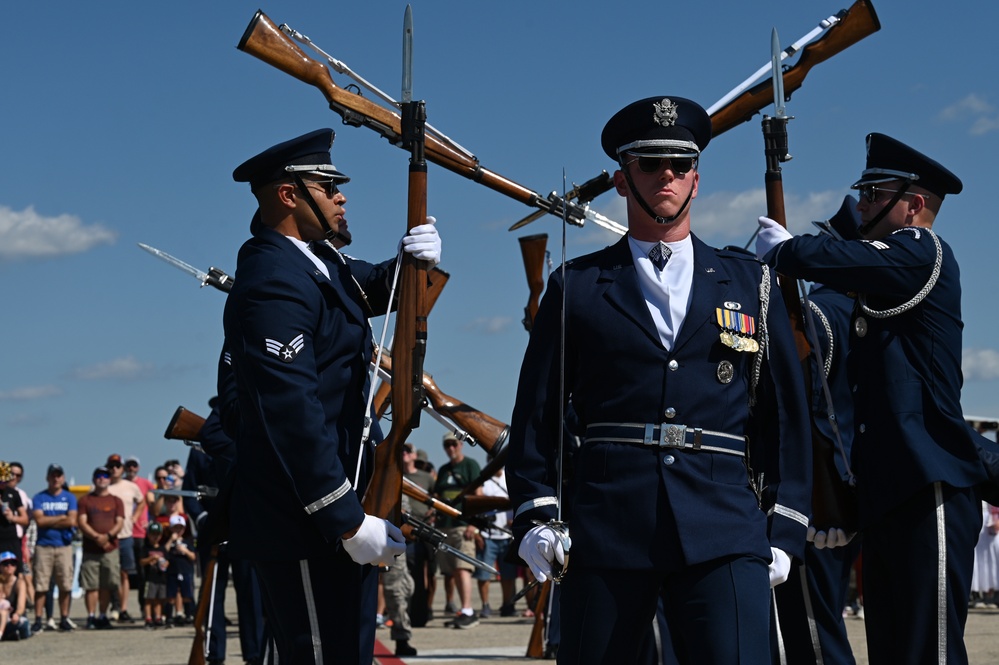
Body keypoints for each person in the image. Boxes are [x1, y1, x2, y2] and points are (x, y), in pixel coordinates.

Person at [507, 96, 811, 665]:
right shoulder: (577, 284)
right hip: (608, 525)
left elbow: (786, 416)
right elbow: (536, 415)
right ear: (623, 181)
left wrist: (786, 526)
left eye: (678, 163)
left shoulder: (750, 283)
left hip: (724, 526)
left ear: (696, 179)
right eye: (649, 163)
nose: (665, 175)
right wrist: (535, 513)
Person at [756, 132, 982, 664]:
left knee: (929, 652)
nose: (862, 204)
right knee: (891, 651)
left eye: (875, 194)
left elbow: (848, 261)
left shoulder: (922, 250)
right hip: (889, 490)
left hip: (931, 483)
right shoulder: (876, 290)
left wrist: (788, 250)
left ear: (915, 204)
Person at [220, 128, 439, 664]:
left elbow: (377, 288)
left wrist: (417, 262)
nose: (342, 196)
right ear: (289, 195)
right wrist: (344, 517)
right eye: (328, 185)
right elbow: (292, 412)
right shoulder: (275, 278)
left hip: (341, 509)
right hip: (305, 522)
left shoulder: (322, 263)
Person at [769, 196, 864, 664]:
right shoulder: (869, 314)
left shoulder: (820, 313)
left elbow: (802, 410)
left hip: (818, 496)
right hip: (856, 490)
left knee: (813, 637)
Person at [433, 433, 482, 629]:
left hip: (464, 526)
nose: (450, 448)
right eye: (447, 445)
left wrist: (474, 524)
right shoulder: (444, 470)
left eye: (453, 444)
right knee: (451, 570)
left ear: (461, 444)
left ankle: (468, 609)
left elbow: (479, 495)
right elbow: (437, 495)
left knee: (463, 568)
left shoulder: (470, 466)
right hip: (445, 525)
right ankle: (461, 610)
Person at [30, 464, 77, 633]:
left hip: (64, 546)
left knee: (65, 584)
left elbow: (72, 521)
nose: (56, 479)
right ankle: (38, 619)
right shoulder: (39, 498)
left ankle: (64, 618)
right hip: (44, 546)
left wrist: (51, 519)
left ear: (63, 478)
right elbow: (39, 521)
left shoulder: (69, 498)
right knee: (41, 585)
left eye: (59, 476)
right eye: (53, 476)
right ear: (47, 478)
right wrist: (61, 518)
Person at [77, 466, 125, 630]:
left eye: (105, 476)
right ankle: (91, 616)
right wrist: (96, 537)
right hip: (91, 549)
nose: (102, 479)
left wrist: (108, 536)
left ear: (109, 479)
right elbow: (82, 522)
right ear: (93, 479)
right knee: (91, 586)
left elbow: (119, 522)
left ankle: (103, 615)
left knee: (107, 585)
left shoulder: (116, 500)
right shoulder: (85, 500)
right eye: (98, 476)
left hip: (110, 549)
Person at [474, 461, 516, 618]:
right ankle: (485, 605)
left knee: (508, 574)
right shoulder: (484, 481)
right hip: (488, 534)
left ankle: (507, 604)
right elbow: (477, 506)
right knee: (483, 574)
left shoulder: (510, 478)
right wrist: (478, 531)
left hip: (506, 534)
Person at [105, 453, 144, 623]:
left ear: (122, 469)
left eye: (117, 466)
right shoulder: (104, 487)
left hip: (126, 535)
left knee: (124, 574)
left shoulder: (130, 486)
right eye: (111, 466)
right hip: (109, 537)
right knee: (109, 575)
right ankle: (112, 606)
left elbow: (142, 501)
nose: (114, 469)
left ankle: (123, 608)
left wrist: (135, 517)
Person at [124, 456, 154, 612]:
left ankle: (144, 606)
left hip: (141, 533)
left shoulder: (146, 484)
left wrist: (150, 521)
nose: (131, 468)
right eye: (128, 465)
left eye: (134, 465)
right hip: (124, 533)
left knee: (143, 573)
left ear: (138, 468)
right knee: (123, 572)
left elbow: (154, 503)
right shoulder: (120, 484)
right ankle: (120, 608)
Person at [164, 514, 196, 626]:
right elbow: (164, 552)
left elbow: (193, 557)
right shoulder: (169, 542)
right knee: (171, 595)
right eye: (176, 527)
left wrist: (185, 551)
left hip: (185, 570)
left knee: (187, 594)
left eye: (181, 528)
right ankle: (169, 616)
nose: (178, 530)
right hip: (172, 571)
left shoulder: (187, 542)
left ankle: (188, 615)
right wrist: (171, 540)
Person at [137, 521, 169, 628]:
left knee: (159, 600)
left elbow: (168, 561)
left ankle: (158, 617)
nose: (155, 537)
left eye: (157, 534)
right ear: (148, 534)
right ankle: (148, 618)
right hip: (149, 578)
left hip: (160, 578)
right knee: (148, 599)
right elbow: (141, 562)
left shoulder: (162, 548)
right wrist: (151, 558)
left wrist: (164, 563)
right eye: (153, 534)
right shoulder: (145, 548)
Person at [0, 462, 28, 574]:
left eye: (5, 481)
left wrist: (12, 517)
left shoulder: (13, 493)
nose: (3, 484)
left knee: (17, 575)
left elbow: (25, 519)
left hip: (11, 540)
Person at [0, 550, 31, 640]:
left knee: (22, 625)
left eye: (13, 563)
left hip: (14, 618)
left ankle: (8, 633)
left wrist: (16, 614)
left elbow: (21, 607)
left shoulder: (19, 583)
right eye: (6, 563)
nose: (9, 566)